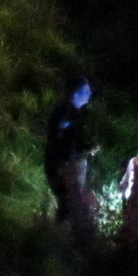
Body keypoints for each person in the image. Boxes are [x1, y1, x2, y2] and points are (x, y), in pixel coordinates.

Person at [44, 76, 97, 248]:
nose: (89, 95)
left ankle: (62, 242)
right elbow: (59, 137)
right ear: (76, 93)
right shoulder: (65, 112)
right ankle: (61, 243)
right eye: (86, 92)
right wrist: (63, 165)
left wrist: (89, 148)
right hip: (62, 165)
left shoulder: (77, 114)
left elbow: (77, 140)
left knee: (69, 203)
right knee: (68, 203)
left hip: (68, 164)